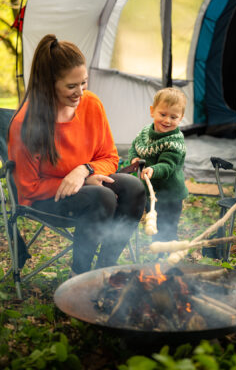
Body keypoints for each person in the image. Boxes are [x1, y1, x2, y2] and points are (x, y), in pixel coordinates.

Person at [8, 34, 145, 275]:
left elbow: (110, 157)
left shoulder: (92, 104)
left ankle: (104, 270)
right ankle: (79, 275)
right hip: (47, 200)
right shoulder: (26, 124)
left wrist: (84, 171)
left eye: (84, 83)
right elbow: (29, 187)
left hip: (88, 184)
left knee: (133, 187)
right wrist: (72, 182)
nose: (80, 93)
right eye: (71, 86)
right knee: (102, 197)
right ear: (48, 84)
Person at [128, 87, 188, 244]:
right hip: (151, 192)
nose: (167, 120)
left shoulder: (175, 142)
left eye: (173, 117)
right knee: (153, 224)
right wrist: (134, 159)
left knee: (167, 228)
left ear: (181, 118)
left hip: (170, 195)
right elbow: (134, 147)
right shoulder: (145, 132)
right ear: (152, 111)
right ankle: (158, 260)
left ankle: (168, 257)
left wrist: (154, 169)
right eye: (163, 114)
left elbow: (168, 166)